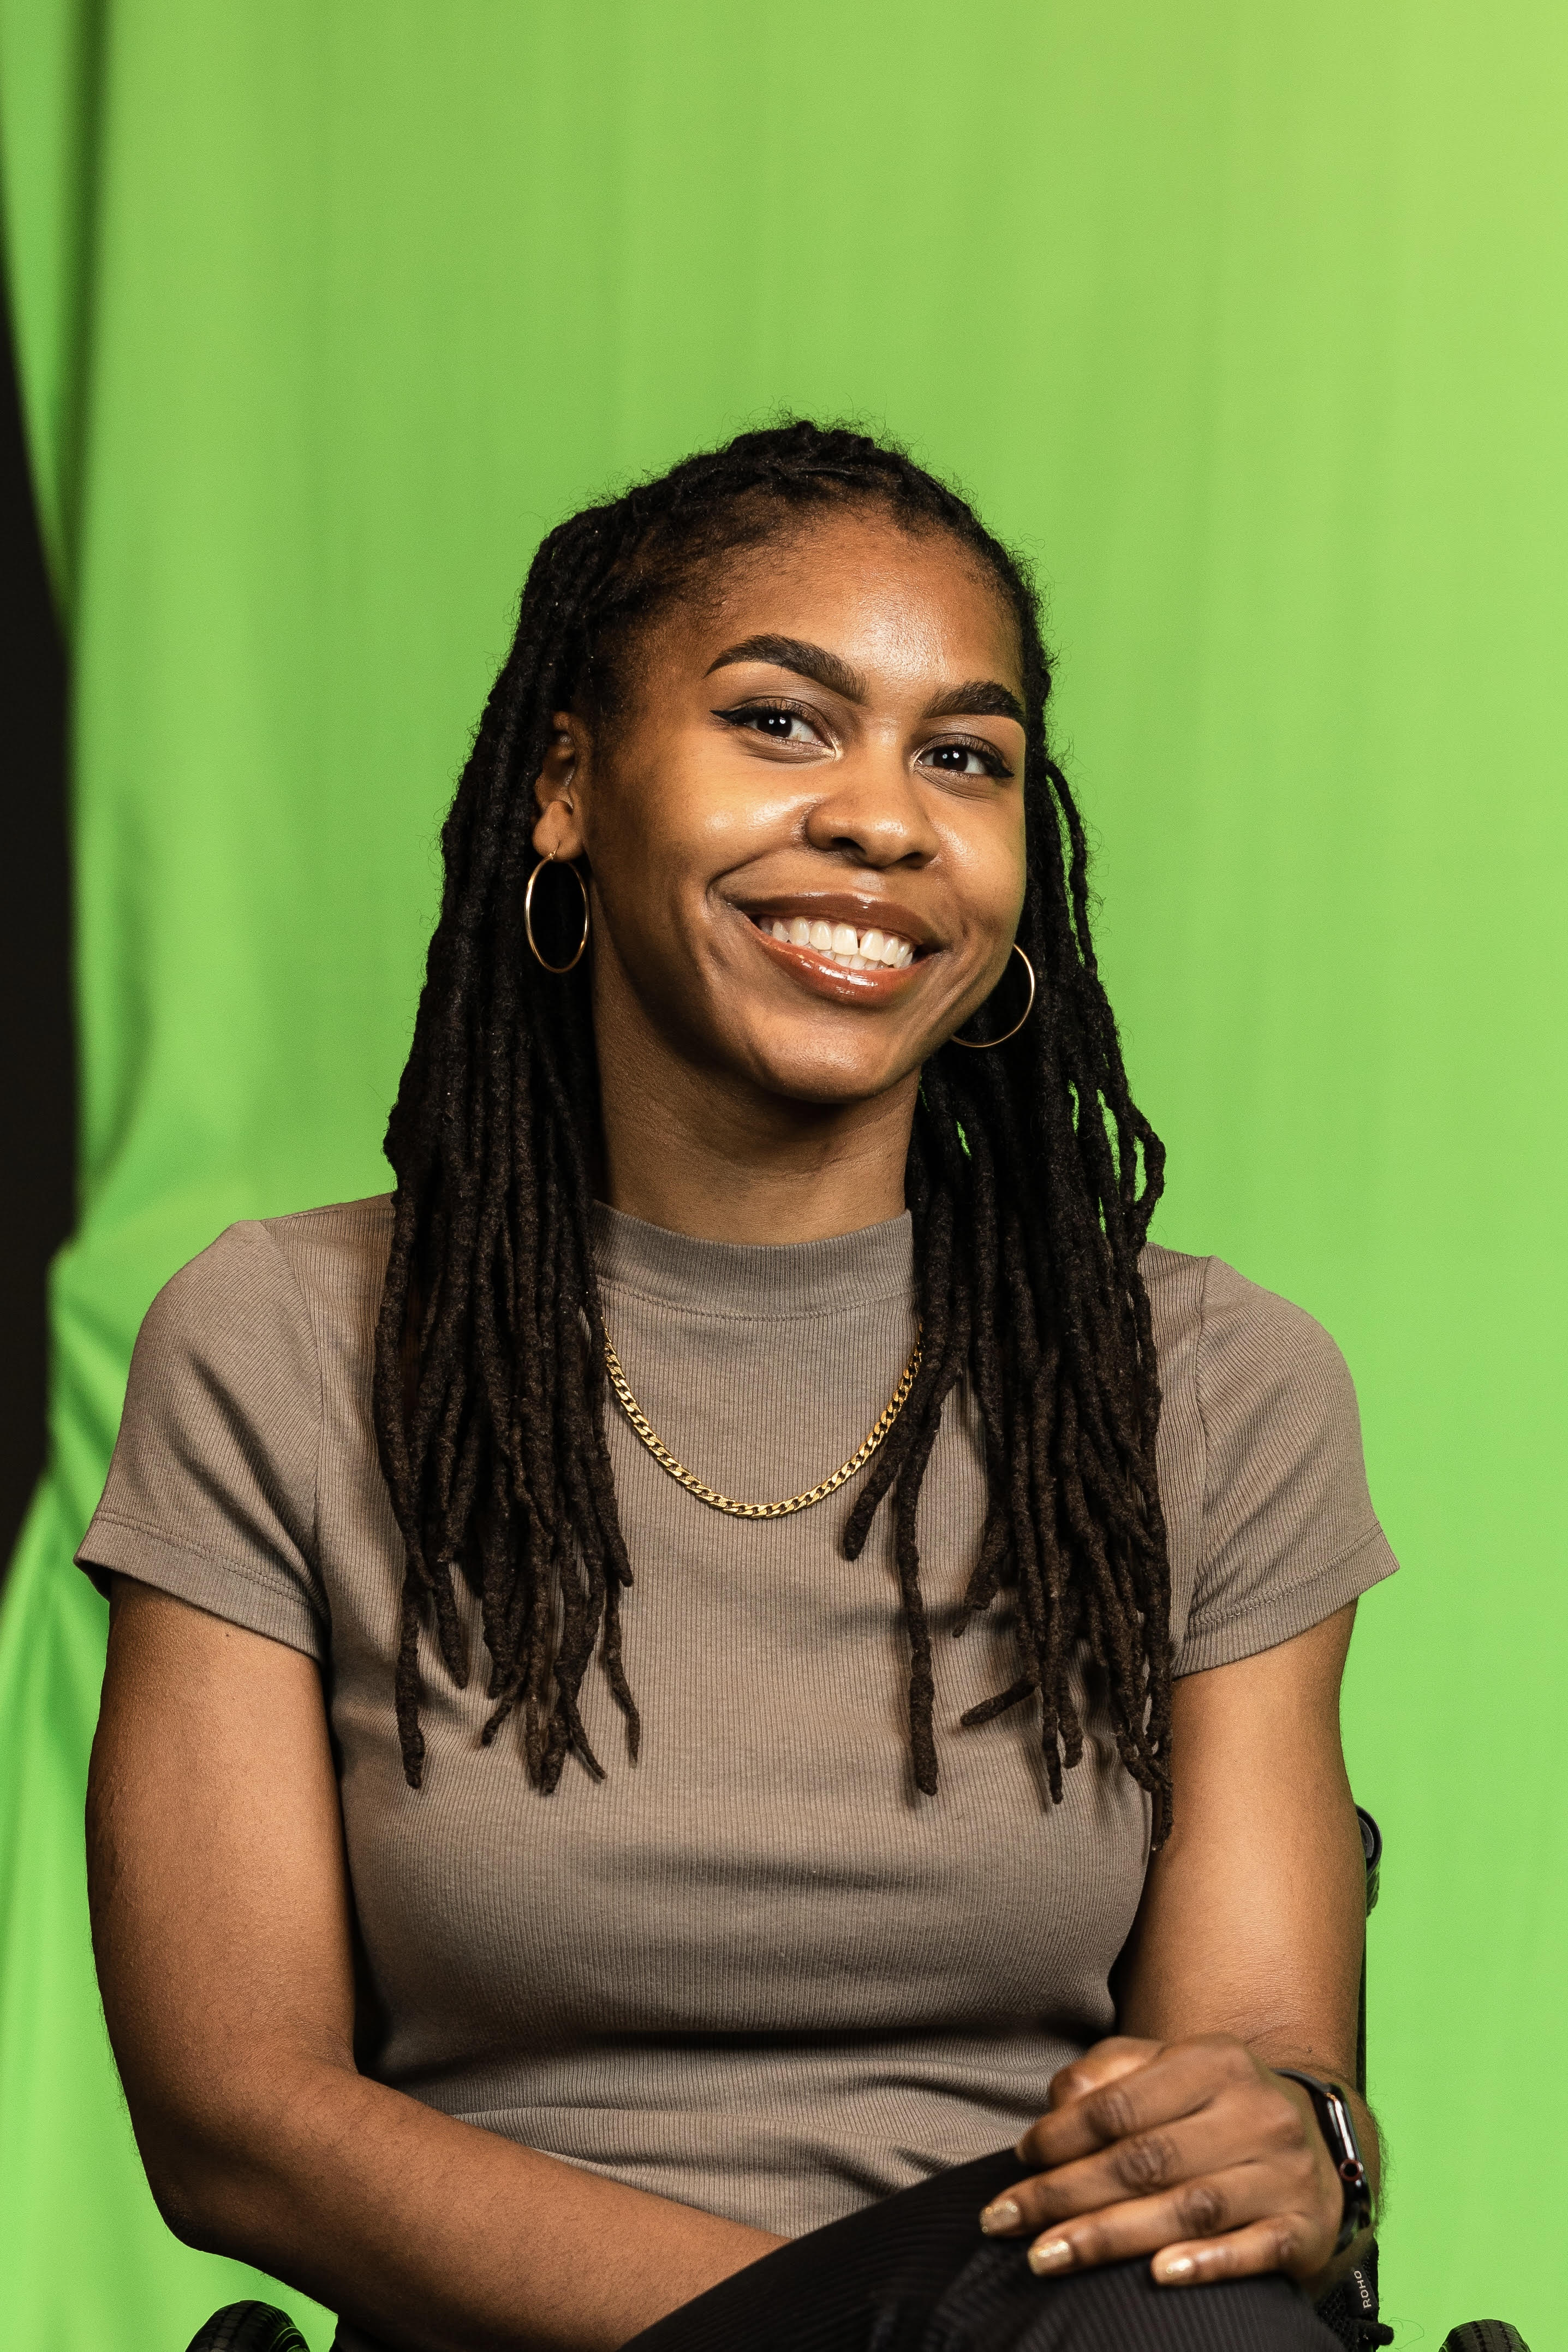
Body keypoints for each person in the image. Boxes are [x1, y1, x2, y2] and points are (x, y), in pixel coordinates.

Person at [80, 422, 1397, 2352]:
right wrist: (858, 2346)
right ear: (566, 790)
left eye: (964, 756)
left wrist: (1293, 2141)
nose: (884, 816)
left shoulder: (1209, 1384)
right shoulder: (283, 1342)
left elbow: (1259, 2066)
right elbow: (239, 2125)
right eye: (784, 723)